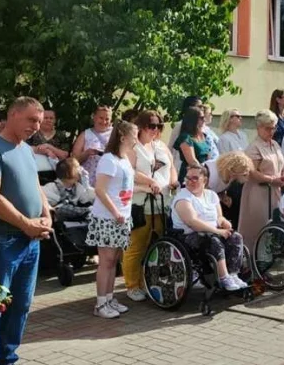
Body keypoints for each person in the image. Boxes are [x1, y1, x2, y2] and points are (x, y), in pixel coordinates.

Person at [0, 97, 53, 365]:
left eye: (39, 122)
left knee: (20, 306)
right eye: (31, 119)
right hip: (3, 240)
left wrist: (46, 214)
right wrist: (25, 223)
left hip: (31, 241)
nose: (36, 126)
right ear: (13, 115)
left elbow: (36, 185)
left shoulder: (27, 150)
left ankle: (7, 359)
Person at [86, 121, 137, 318]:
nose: (136, 139)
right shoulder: (108, 159)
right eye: (134, 135)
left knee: (114, 260)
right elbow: (100, 189)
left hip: (122, 217)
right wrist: (115, 212)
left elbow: (125, 187)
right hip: (108, 218)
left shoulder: (123, 159)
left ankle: (109, 298)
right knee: (106, 261)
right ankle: (100, 304)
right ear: (123, 137)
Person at [171, 165, 251, 290]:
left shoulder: (211, 195)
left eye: (195, 178)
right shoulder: (183, 198)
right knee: (213, 241)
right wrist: (217, 231)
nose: (190, 181)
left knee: (235, 237)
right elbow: (193, 222)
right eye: (188, 178)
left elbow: (219, 217)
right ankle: (224, 278)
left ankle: (233, 274)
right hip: (188, 235)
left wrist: (224, 222)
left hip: (212, 232)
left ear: (205, 180)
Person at [122, 111, 174, 303]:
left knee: (156, 244)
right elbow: (130, 172)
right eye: (152, 126)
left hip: (162, 201)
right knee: (136, 245)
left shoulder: (160, 146)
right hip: (141, 202)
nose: (156, 130)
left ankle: (148, 280)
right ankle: (132, 285)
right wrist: (150, 182)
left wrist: (173, 182)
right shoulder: (134, 148)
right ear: (142, 127)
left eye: (159, 126)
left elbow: (172, 168)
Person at [241, 110, 284, 250]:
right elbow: (252, 172)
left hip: (275, 190)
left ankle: (269, 255)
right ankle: (253, 258)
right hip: (258, 192)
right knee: (258, 226)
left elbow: (282, 164)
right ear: (258, 127)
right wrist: (272, 179)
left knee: (274, 223)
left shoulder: (275, 145)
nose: (271, 131)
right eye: (268, 128)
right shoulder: (254, 147)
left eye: (273, 128)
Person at [27, 107, 71, 185]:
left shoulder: (62, 135)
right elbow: (24, 148)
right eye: (46, 118)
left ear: (55, 120)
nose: (48, 120)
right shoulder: (33, 133)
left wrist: (49, 147)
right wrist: (46, 151)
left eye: (51, 118)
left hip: (57, 174)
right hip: (35, 172)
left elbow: (65, 155)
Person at [72, 105, 114, 185]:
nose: (104, 122)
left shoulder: (114, 135)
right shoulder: (85, 134)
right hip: (87, 179)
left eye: (107, 119)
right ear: (94, 117)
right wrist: (86, 153)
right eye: (101, 118)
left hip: (107, 178)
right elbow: (74, 160)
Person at [173, 107, 212, 186]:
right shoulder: (185, 137)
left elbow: (208, 157)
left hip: (203, 176)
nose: (204, 120)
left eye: (204, 117)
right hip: (191, 177)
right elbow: (192, 162)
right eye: (201, 118)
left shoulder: (202, 136)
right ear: (193, 120)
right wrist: (203, 176)